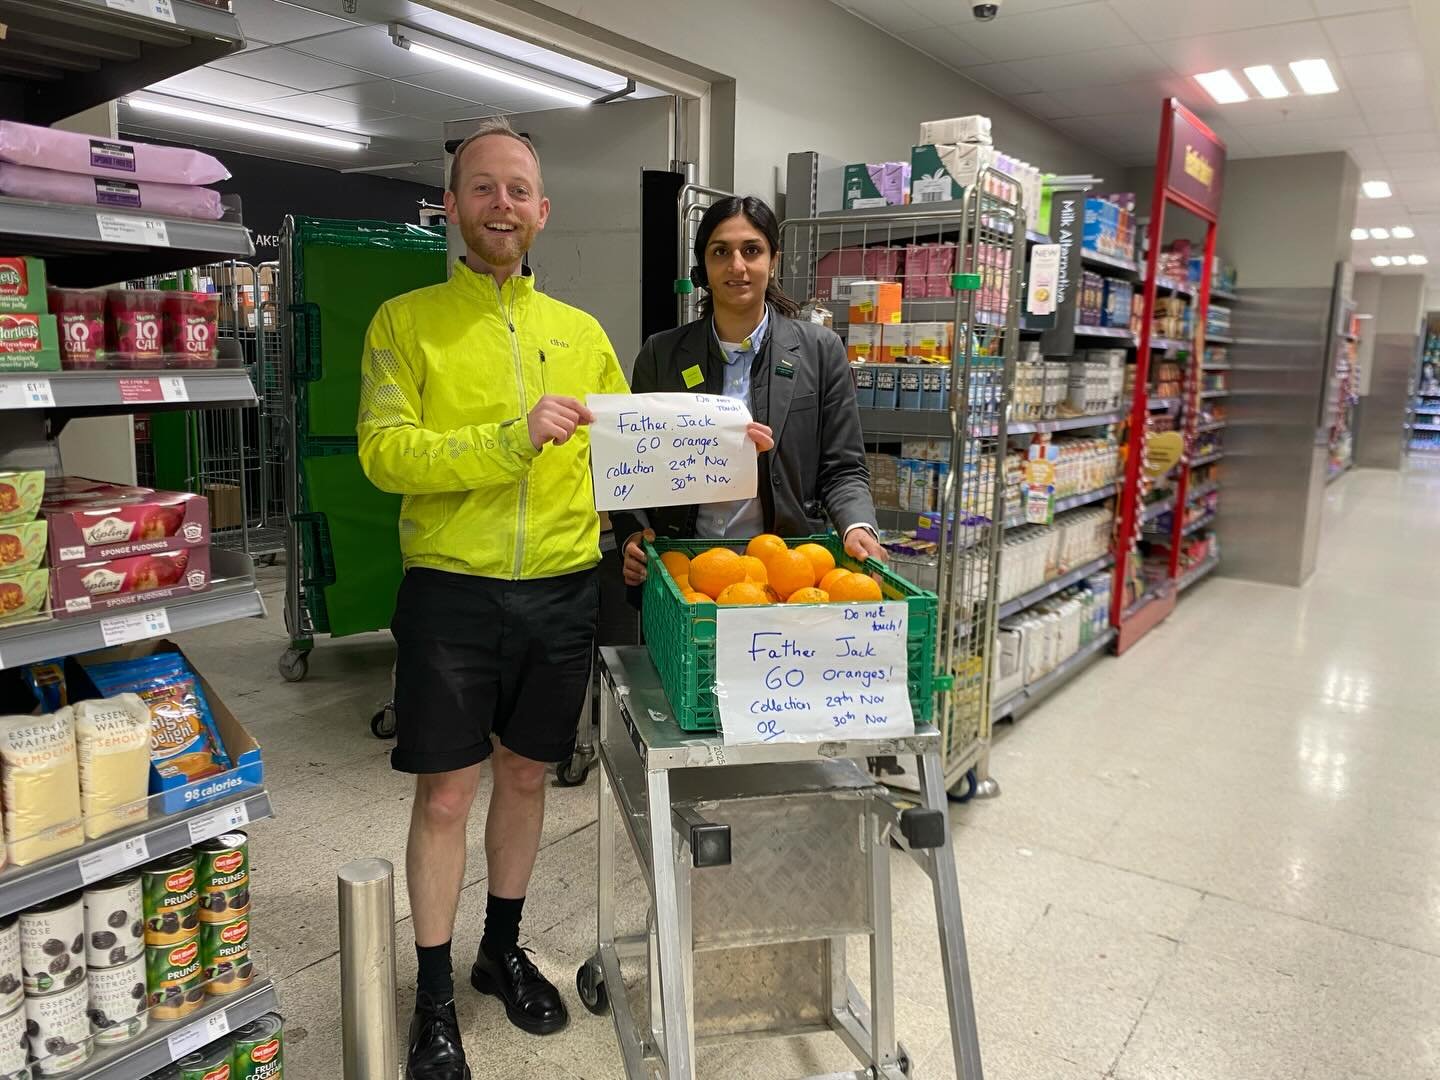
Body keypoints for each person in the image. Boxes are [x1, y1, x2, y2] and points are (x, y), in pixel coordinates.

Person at [356, 117, 628, 1080]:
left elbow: (625, 457)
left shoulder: (583, 335)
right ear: (453, 205)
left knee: (525, 777)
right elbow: (387, 454)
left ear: (543, 212)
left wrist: (721, 449)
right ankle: (434, 999)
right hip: (452, 594)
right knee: (445, 795)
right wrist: (511, 439)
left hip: (560, 589)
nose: (501, 205)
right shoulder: (403, 323)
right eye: (483, 187)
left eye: (518, 189)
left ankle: (497, 950)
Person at [613, 195, 882, 585]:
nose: (736, 266)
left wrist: (857, 526)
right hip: (684, 575)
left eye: (751, 250)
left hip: (784, 573)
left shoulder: (821, 351)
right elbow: (633, 465)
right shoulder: (662, 354)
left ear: (773, 260)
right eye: (720, 251)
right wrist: (632, 537)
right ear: (704, 265)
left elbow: (843, 469)